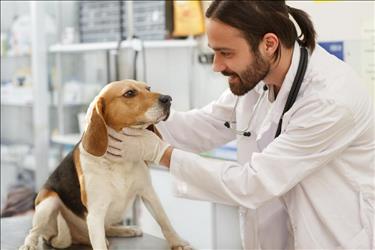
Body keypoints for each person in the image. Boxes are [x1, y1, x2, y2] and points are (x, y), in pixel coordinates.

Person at [105, 1, 375, 249]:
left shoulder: (331, 100)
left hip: (330, 240)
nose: (216, 66)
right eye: (214, 52)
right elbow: (206, 124)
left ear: (269, 44)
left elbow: (253, 183)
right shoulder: (257, 80)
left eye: (226, 53)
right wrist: (142, 116)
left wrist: (159, 153)